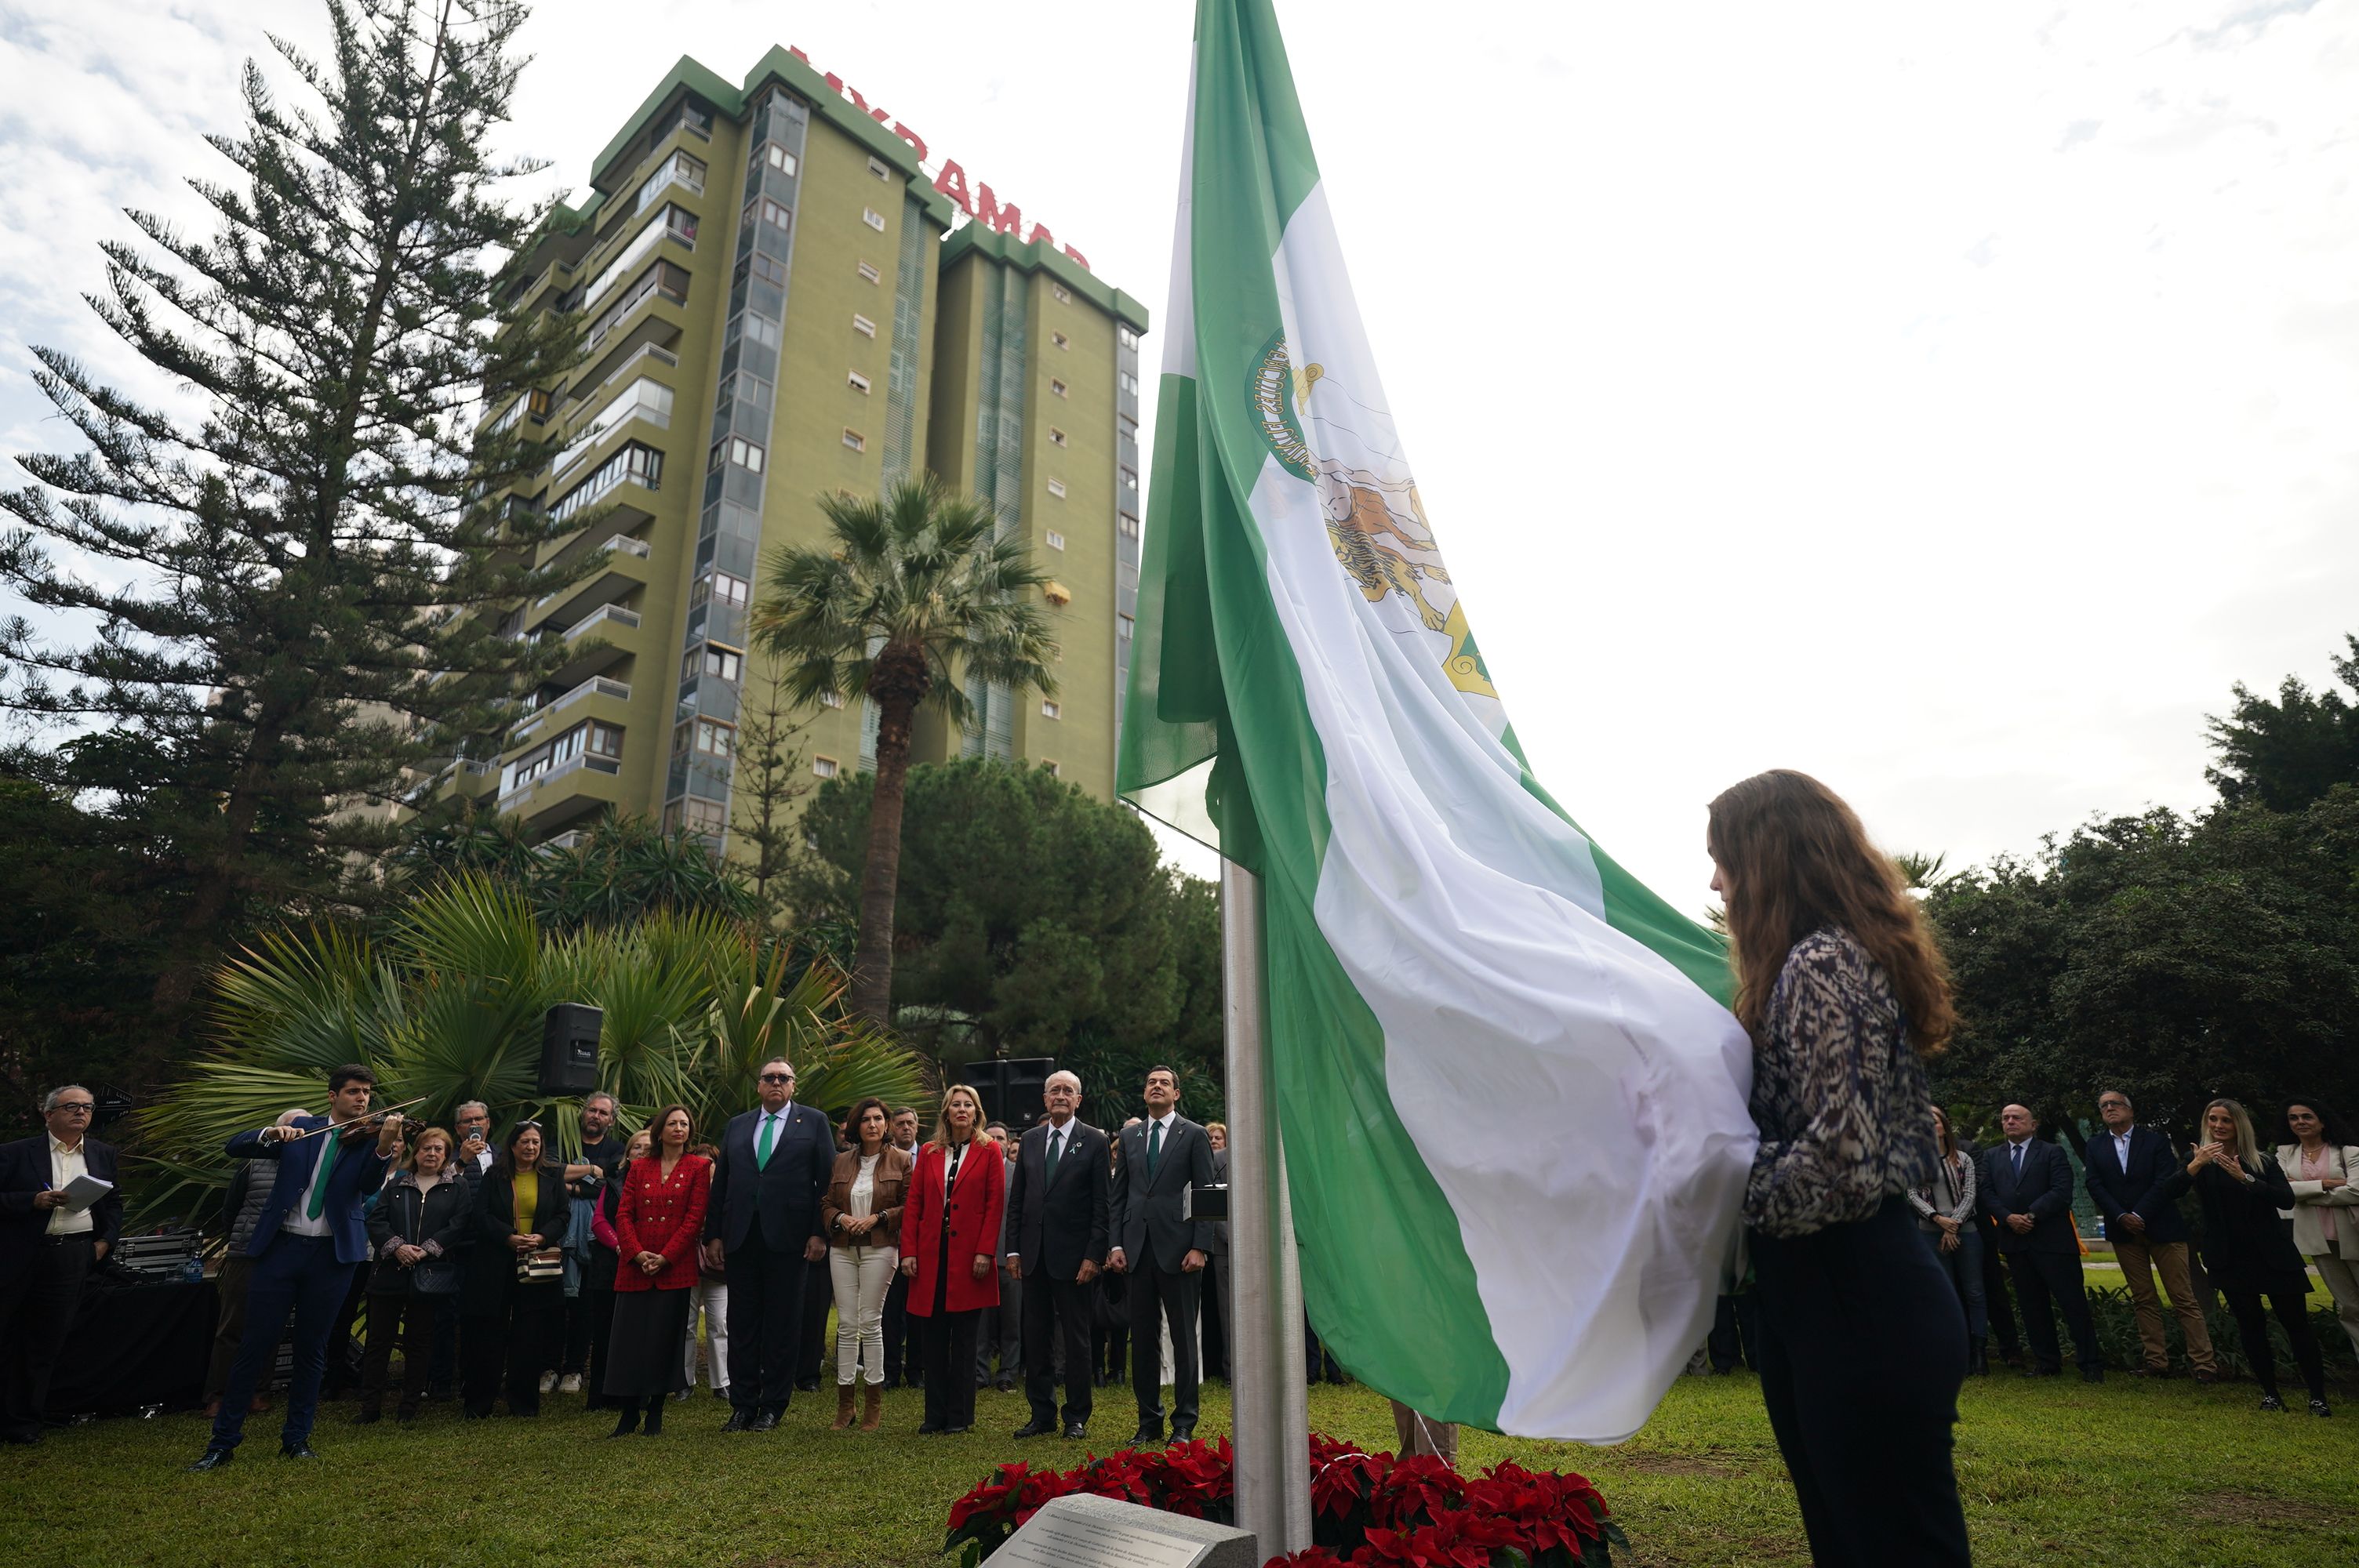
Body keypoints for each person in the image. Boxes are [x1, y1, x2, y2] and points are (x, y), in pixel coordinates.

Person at [1708, 769, 1969, 1566]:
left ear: (1766, 859)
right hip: (1826, 1297)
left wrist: (1711, 1180)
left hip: (1857, 1301)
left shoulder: (1821, 964)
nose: (1714, 881)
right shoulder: (1818, 962)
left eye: (1721, 858)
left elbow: (1840, 1164)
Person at [188, 1065, 404, 1469]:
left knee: (312, 1347)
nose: (363, 1099)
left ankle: (297, 1439)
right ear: (332, 1095)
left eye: (368, 1093)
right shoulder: (303, 1130)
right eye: (354, 1091)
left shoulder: (369, 1139)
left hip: (332, 1255)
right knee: (255, 1343)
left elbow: (369, 1185)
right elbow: (235, 1147)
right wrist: (271, 1133)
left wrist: (383, 1149)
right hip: (281, 1249)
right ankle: (223, 1442)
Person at [703, 1057, 833, 1432]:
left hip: (791, 1239)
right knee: (741, 1323)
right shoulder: (739, 1125)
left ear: (793, 1085)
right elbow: (722, 1182)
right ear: (759, 1085)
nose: (776, 1082)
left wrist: (818, 1232)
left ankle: (773, 1406)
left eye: (784, 1078)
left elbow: (825, 1182)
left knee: (782, 1324)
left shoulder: (813, 1122)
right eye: (769, 1078)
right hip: (741, 1236)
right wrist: (714, 1234)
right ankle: (743, 1405)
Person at [2187, 1098, 2330, 1415]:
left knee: (2296, 1324)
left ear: (2239, 1125)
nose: (2219, 1126)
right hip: (2229, 1257)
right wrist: (2195, 1165)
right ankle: (2270, 1395)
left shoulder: (2262, 1161)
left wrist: (2244, 1177)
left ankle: (2317, 1396)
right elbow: (2170, 1191)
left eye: (2226, 1120)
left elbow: (2285, 1199)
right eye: (2213, 1119)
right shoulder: (2198, 1161)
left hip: (2273, 1255)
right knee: (2250, 1326)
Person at [2, 1085, 124, 1445]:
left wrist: (105, 1242)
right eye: (71, 1106)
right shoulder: (15, 1153)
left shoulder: (102, 1154)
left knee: (46, 1341)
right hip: (18, 1254)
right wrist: (33, 1201)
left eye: (87, 1107)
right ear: (48, 1113)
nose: (81, 1113)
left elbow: (114, 1203)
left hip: (71, 1256)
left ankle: (22, 1423)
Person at [1107, 1065, 1216, 1445]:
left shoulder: (1195, 1135)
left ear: (1176, 1094)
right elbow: (1120, 1195)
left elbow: (1205, 1193)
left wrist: (1200, 1245)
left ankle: (1184, 1423)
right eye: (1151, 1082)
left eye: (1164, 1083)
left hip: (1181, 1250)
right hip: (1137, 1250)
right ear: (1144, 1092)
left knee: (1185, 1339)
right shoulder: (1130, 1135)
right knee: (1144, 1339)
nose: (1156, 1087)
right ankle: (1149, 1421)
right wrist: (1116, 1244)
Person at [1005, 1069, 1111, 1440]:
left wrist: (1094, 1255)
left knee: (1077, 1340)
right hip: (1033, 1257)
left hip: (1075, 1259)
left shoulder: (1095, 1141)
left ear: (1079, 1100)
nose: (1061, 1095)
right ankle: (1042, 1414)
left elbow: (1103, 1204)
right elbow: (1017, 1199)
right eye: (1055, 1090)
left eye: (1069, 1090)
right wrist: (1013, 1249)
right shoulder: (1031, 1140)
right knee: (1036, 1337)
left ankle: (1076, 1416)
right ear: (1045, 1099)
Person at [2081, 1087, 2216, 1379]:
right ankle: (2156, 1361)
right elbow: (2095, 1184)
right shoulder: (2095, 1146)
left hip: (2162, 1227)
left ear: (2131, 1110)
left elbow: (2164, 1182)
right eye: (2104, 1105)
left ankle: (2204, 1363)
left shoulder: (2154, 1141)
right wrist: (2120, 1216)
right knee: (2143, 1298)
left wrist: (2139, 1214)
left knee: (2183, 1297)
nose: (2109, 1108)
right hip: (2124, 1232)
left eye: (2115, 1103)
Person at [900, 1083, 1005, 1436]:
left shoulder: (989, 1151)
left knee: (964, 1340)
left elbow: (994, 1206)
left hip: (969, 1257)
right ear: (946, 1112)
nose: (962, 1110)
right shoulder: (929, 1151)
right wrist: (909, 1251)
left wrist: (985, 1251)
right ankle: (935, 1415)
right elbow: (914, 1204)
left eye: (968, 1105)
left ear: (977, 1112)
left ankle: (959, 1416)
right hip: (931, 1256)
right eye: (955, 1105)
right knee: (932, 1337)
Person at [603, 1105, 711, 1436]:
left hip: (673, 1267)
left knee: (665, 1340)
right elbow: (623, 1215)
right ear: (660, 1129)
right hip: (635, 1267)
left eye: (685, 1123)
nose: (679, 1128)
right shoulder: (638, 1167)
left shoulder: (699, 1166)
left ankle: (656, 1412)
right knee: (629, 1341)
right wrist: (636, 1254)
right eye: (673, 1123)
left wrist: (665, 1257)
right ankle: (629, 1412)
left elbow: (695, 1219)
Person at [1979, 1104, 2102, 1382]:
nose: (2010, 1122)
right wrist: (2008, 1218)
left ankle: (2090, 1363)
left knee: (2072, 1303)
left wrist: (2031, 1215)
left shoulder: (2052, 1152)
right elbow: (1986, 1192)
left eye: (2017, 1118)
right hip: (2015, 1242)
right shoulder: (1991, 1156)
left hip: (2052, 1240)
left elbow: (2061, 1191)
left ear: (2033, 1124)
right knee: (2032, 1306)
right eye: (2005, 1118)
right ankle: (2047, 1362)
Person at [358, 1125, 470, 1423]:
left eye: (438, 1149)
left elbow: (458, 1224)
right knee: (378, 1341)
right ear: (415, 1151)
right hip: (390, 1272)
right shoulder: (396, 1183)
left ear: (446, 1156)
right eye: (426, 1148)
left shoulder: (457, 1186)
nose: (431, 1154)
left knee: (419, 1342)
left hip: (429, 1274)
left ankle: (409, 1406)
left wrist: (427, 1249)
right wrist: (398, 1247)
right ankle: (370, 1406)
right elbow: (377, 1220)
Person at [460, 1120, 569, 1419]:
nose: (530, 1147)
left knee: (530, 1334)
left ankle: (523, 1404)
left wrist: (542, 1237)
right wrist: (508, 1236)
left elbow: (562, 1215)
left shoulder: (552, 1175)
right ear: (512, 1145)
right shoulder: (494, 1175)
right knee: (488, 1334)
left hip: (536, 1264)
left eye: (535, 1142)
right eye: (525, 1142)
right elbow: (480, 1215)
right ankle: (480, 1402)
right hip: (496, 1262)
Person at [205, 1108, 304, 1418]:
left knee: (272, 1327)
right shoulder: (251, 1162)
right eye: (290, 1126)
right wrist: (244, 1240)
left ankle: (259, 1391)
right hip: (246, 1253)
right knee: (232, 1326)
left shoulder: (310, 1166)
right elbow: (231, 1210)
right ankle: (218, 1394)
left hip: (286, 1253)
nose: (296, 1132)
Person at [822, 1097, 911, 1431]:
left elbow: (909, 1204)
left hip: (880, 1246)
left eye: (878, 1119)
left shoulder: (902, 1159)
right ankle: (846, 1406)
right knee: (846, 1324)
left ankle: (873, 1405)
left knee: (871, 1323)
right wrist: (841, 1218)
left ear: (886, 1125)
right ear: (857, 1126)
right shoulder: (842, 1160)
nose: (873, 1124)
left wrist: (878, 1217)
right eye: (866, 1120)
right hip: (843, 1246)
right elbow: (827, 1202)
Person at [554, 1091, 627, 1396]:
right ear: (583, 1113)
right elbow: (550, 1174)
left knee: (585, 1305)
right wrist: (589, 1171)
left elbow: (606, 1185)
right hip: (557, 1232)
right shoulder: (562, 1140)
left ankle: (574, 1369)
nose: (595, 1116)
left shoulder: (616, 1149)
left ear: (611, 1120)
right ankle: (548, 1366)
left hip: (594, 1239)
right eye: (592, 1110)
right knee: (556, 1303)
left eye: (603, 1113)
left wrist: (569, 1183)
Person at [2279, 1098, 2359, 1359]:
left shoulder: (2348, 1152)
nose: (2300, 1121)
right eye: (2294, 1117)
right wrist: (2327, 1183)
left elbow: (2356, 1190)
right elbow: (2281, 1192)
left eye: (2307, 1116)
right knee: (2348, 1306)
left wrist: (2303, 1191)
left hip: (2353, 1235)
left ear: (2322, 1121)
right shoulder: (2285, 1154)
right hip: (2318, 1240)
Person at [1908, 1106, 1986, 1374]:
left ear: (1944, 1125)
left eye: (1935, 1122)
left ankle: (1979, 1354)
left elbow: (1970, 1194)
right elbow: (1912, 1195)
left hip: (1966, 1232)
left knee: (1974, 1291)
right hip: (1929, 1232)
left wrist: (1953, 1226)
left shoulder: (1963, 1159)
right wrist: (1938, 1220)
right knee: (1945, 1294)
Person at [587, 1127, 651, 1410]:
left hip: (645, 1265)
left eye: (649, 1148)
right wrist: (620, 1246)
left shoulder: (659, 1181)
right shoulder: (612, 1182)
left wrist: (639, 1253)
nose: (642, 1152)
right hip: (610, 1265)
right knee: (605, 1333)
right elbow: (599, 1220)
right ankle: (601, 1396)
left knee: (638, 1335)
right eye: (637, 1147)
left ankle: (633, 1395)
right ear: (628, 1153)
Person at [680, 1139, 729, 1403]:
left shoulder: (724, 1193)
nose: (704, 1166)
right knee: (686, 1325)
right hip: (686, 1263)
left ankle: (722, 1382)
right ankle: (684, 1382)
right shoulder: (683, 1189)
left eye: (709, 1162)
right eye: (699, 1161)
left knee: (719, 1323)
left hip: (717, 1265)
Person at [978, 1123, 1024, 1394]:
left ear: (1008, 1143)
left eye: (1001, 1138)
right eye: (991, 1137)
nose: (996, 1141)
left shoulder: (1018, 1172)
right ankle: (979, 1372)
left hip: (1010, 1258)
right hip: (980, 1257)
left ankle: (1008, 1372)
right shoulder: (977, 1171)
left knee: (1012, 1320)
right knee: (981, 1322)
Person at [881, 1105, 923, 1388]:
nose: (905, 1127)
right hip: (890, 1243)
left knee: (919, 1312)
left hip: (923, 1246)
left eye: (910, 1123)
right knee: (889, 1312)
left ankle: (917, 1371)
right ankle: (891, 1372)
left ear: (917, 1126)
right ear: (891, 1128)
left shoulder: (933, 1155)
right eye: (900, 1124)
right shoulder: (884, 1159)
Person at [1201, 1120, 1230, 1384]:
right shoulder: (1217, 1159)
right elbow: (1213, 1201)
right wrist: (1234, 1240)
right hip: (1226, 1249)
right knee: (1228, 1312)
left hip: (1267, 1253)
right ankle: (1231, 1369)